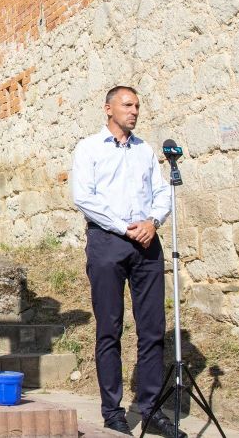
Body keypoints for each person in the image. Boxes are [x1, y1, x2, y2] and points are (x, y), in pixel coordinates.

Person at [71, 86, 186, 438]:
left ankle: (151, 410)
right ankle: (112, 411)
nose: (134, 111)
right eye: (127, 105)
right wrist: (125, 228)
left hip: (147, 243)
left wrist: (153, 222)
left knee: (152, 330)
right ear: (108, 108)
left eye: (137, 105)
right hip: (108, 243)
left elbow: (162, 191)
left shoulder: (145, 151)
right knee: (110, 328)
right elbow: (83, 198)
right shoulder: (89, 148)